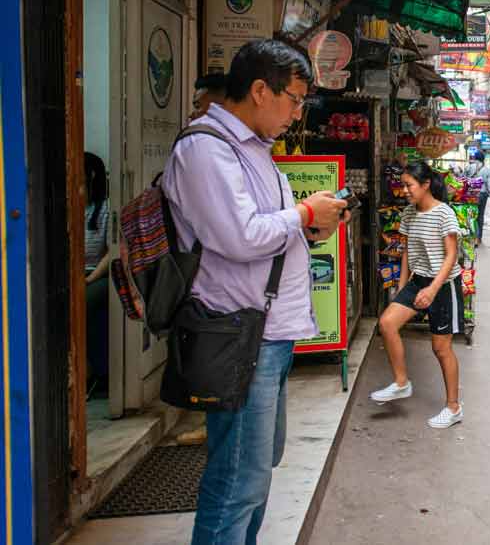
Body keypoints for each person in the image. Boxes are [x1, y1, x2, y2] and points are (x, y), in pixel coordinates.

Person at [162, 39, 347, 544]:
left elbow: (265, 228)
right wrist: (305, 214)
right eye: (294, 100)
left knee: (258, 469)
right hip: (240, 334)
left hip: (268, 335)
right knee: (239, 480)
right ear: (261, 90)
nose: (296, 113)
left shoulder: (254, 150)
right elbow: (240, 236)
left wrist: (309, 226)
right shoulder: (206, 149)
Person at [370, 161, 466, 430]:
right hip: (418, 280)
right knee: (387, 323)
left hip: (443, 285)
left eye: (409, 185)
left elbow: (451, 256)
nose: (405, 190)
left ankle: (453, 407)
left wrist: (433, 288)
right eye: (403, 185)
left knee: (441, 348)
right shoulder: (409, 214)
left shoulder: (444, 213)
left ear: (425, 185)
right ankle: (401, 383)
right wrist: (402, 287)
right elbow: (406, 252)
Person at [84, 152, 112, 393]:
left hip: (98, 275)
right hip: (73, 275)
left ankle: (97, 372)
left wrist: (91, 278)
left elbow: (111, 252)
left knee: (84, 302)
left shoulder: (104, 210)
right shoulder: (68, 205)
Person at [468, 151, 490, 243]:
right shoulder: (487, 170)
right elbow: (489, 184)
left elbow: (464, 178)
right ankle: (478, 238)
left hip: (471, 194)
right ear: (483, 159)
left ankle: (472, 236)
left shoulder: (469, 167)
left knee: (471, 216)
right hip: (483, 194)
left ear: (474, 158)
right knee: (480, 215)